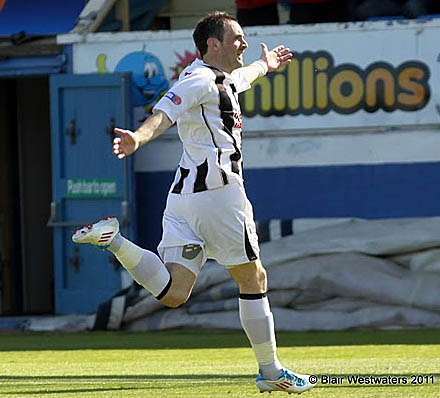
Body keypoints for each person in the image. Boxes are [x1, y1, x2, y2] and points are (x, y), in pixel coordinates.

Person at [72, 11, 316, 394]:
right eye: (236, 37)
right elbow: (165, 112)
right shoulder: (198, 77)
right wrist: (137, 138)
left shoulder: (223, 79)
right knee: (254, 279)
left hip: (184, 199)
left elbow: (244, 76)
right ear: (212, 44)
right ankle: (271, 373)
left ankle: (113, 239)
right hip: (220, 197)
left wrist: (265, 66)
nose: (244, 43)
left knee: (174, 293)